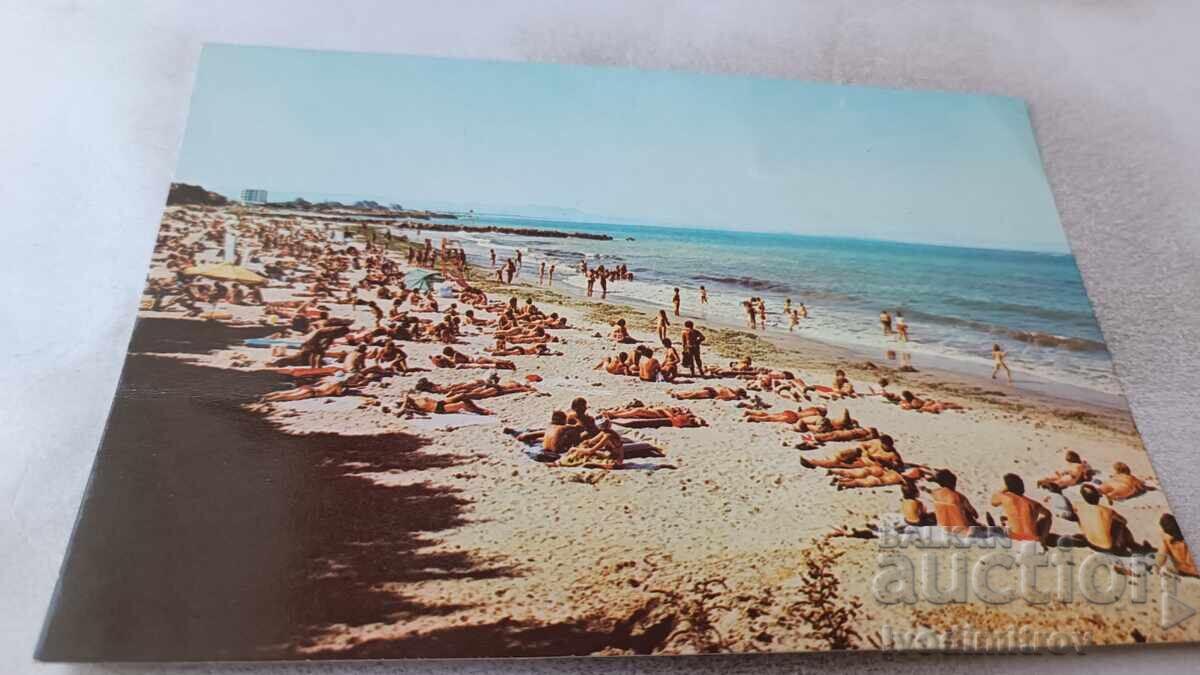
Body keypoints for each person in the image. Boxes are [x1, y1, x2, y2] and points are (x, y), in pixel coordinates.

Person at [1074, 484, 1137, 554]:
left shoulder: (1077, 505)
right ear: (1098, 496)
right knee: (1119, 524)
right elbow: (1124, 521)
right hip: (1107, 548)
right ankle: (1130, 546)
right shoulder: (1107, 511)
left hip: (1090, 543)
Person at [990, 474, 1052, 543]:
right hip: (1032, 540)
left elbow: (993, 502)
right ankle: (1042, 540)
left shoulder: (1006, 498)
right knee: (1047, 517)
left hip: (1014, 538)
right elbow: (1048, 514)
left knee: (1002, 523)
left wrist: (1005, 488)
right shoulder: (1034, 504)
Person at [556, 417, 624, 469]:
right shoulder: (605, 432)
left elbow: (591, 451)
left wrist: (575, 449)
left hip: (616, 461)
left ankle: (564, 462)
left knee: (586, 461)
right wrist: (584, 442)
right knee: (583, 447)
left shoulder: (607, 436)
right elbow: (591, 441)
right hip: (609, 455)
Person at [930, 469, 978, 534]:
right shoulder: (960, 497)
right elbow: (975, 514)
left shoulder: (935, 493)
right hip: (962, 531)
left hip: (943, 529)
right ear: (953, 483)